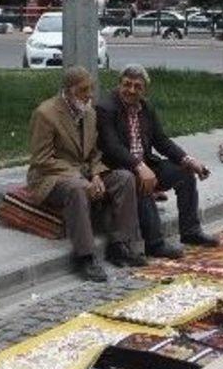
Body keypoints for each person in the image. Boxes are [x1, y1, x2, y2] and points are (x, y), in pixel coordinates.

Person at [26, 66, 145, 282]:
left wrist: (97, 174)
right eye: (83, 90)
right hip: (51, 177)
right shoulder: (45, 114)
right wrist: (80, 178)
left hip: (85, 172)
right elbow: (41, 160)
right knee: (77, 189)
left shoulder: (89, 112)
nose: (89, 95)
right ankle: (85, 257)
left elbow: (93, 153)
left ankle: (120, 244)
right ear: (68, 91)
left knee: (125, 178)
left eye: (91, 89)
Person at [97, 64, 219, 260]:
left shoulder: (145, 107)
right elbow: (112, 147)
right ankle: (154, 244)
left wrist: (188, 160)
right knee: (143, 182)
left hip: (145, 164)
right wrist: (139, 166)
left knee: (185, 173)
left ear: (145, 89)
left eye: (137, 86)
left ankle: (190, 231)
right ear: (119, 84)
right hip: (119, 169)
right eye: (127, 84)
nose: (131, 90)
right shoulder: (106, 108)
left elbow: (161, 141)